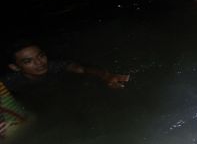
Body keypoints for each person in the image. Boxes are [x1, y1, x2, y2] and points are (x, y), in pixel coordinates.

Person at [2, 39, 130, 94]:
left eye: (40, 56)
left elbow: (81, 68)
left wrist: (106, 75)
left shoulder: (53, 66)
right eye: (28, 61)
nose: (40, 63)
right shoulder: (8, 83)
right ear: (15, 67)